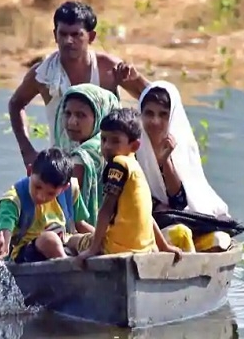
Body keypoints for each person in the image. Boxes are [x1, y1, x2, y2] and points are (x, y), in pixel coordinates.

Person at [8, 1, 149, 168]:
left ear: (91, 36)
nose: (68, 41)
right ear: (55, 35)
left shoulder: (108, 69)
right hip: (63, 168)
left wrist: (136, 78)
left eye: (76, 35)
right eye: (63, 34)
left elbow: (153, 96)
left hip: (107, 167)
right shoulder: (44, 74)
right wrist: (27, 151)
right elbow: (16, 104)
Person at [69, 108, 182, 265]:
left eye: (115, 141)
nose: (107, 146)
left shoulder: (118, 164)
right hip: (144, 249)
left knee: (72, 240)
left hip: (115, 248)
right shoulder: (135, 167)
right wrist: (164, 246)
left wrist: (93, 249)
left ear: (134, 146)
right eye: (103, 139)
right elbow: (147, 215)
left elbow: (106, 209)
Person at [137, 81, 233, 253]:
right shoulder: (132, 145)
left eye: (163, 115)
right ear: (140, 114)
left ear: (172, 116)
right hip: (145, 222)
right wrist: (156, 206)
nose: (155, 121)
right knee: (180, 234)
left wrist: (165, 160)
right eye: (149, 113)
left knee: (219, 239)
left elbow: (179, 201)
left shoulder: (182, 148)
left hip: (185, 219)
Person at [0, 148, 94, 263]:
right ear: (29, 171)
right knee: (50, 240)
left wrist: (102, 237)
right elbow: (4, 246)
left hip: (64, 242)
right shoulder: (12, 202)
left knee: (90, 240)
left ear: (64, 188)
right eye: (37, 187)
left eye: (50, 193)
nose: (41, 196)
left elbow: (80, 224)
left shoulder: (70, 190)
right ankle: (68, 268)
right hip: (28, 252)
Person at [54, 83, 121, 225]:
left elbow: (60, 206)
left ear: (99, 116)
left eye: (81, 115)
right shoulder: (118, 145)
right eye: (68, 113)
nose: (72, 122)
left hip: (87, 232)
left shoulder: (82, 158)